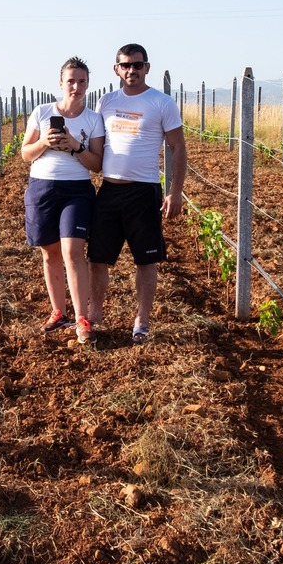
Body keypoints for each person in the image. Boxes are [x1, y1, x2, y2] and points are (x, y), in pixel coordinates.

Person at [86, 43, 186, 344]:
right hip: (109, 190)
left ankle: (142, 320)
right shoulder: (105, 102)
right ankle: (95, 313)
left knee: (145, 260)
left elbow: (178, 147)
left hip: (144, 192)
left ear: (147, 67)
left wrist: (175, 192)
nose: (132, 70)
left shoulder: (161, 102)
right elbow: (94, 144)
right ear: (116, 69)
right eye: (125, 65)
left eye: (137, 65)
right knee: (97, 257)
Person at [20, 56, 105, 341]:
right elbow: (25, 154)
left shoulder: (93, 119)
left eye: (82, 81)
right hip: (42, 188)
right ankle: (59, 312)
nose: (76, 87)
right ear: (61, 83)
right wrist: (44, 142)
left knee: (72, 251)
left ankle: (83, 319)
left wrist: (75, 146)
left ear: (88, 85)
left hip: (77, 190)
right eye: (71, 81)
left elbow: (96, 164)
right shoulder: (42, 112)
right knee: (50, 253)